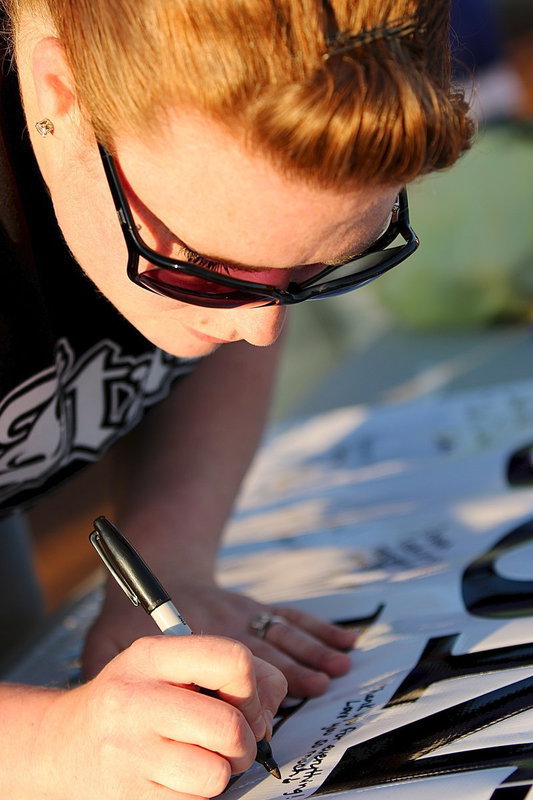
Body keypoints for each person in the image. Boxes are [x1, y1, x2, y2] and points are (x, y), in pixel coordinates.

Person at [0, 0, 473, 796]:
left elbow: (243, 303)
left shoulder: (218, 227)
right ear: (61, 94)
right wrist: (48, 744)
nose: (259, 331)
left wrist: (174, 553)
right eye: (200, 268)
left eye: (313, 275)